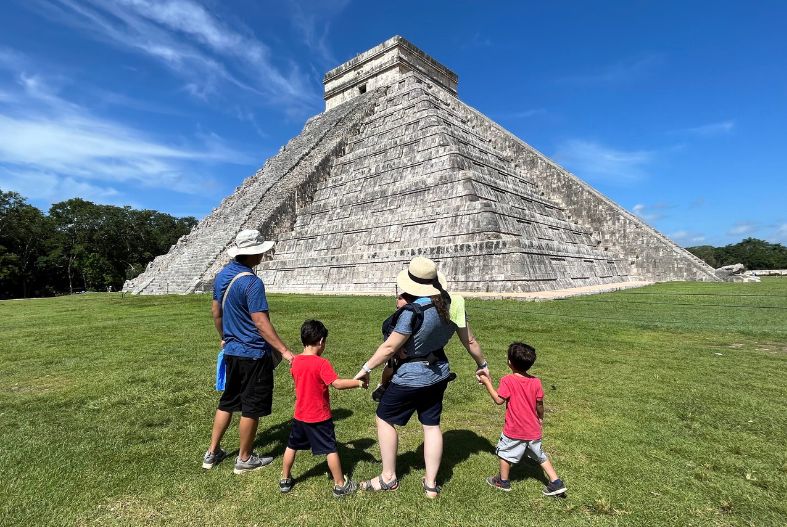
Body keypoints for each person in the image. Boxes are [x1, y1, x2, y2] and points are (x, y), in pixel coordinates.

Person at [354, 256, 489, 498]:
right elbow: (470, 340)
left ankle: (388, 477)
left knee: (384, 418)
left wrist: (366, 368)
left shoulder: (412, 311)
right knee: (431, 425)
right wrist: (483, 364)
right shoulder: (452, 303)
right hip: (438, 375)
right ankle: (430, 484)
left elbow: (389, 348)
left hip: (410, 377)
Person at [202, 229, 294, 474]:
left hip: (232, 351)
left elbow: (216, 312)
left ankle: (212, 452)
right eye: (260, 251)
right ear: (252, 254)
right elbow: (260, 322)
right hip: (253, 352)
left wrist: (224, 337)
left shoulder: (222, 276)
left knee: (228, 401)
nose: (263, 254)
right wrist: (284, 351)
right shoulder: (252, 282)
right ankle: (244, 458)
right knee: (251, 406)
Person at [279, 320, 367, 497]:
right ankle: (340, 485)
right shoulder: (321, 363)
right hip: (319, 417)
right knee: (330, 449)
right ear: (320, 341)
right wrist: (358, 382)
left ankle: (285, 479)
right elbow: (337, 384)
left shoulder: (295, 362)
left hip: (300, 416)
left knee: (292, 446)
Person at [478, 342, 567, 495]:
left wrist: (487, 383)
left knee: (504, 454)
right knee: (540, 456)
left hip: (514, 430)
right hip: (533, 430)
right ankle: (556, 482)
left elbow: (499, 400)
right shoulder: (536, 382)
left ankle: (502, 481)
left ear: (509, 362)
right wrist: (540, 417)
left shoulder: (508, 380)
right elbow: (540, 404)